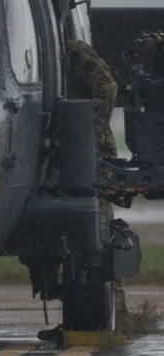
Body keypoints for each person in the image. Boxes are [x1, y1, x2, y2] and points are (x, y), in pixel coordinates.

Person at [64, 38, 129, 329]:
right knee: (77, 237)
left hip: (89, 156)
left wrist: (92, 129)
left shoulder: (72, 52)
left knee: (97, 234)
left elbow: (108, 87)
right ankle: (89, 313)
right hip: (67, 155)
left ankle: (115, 314)